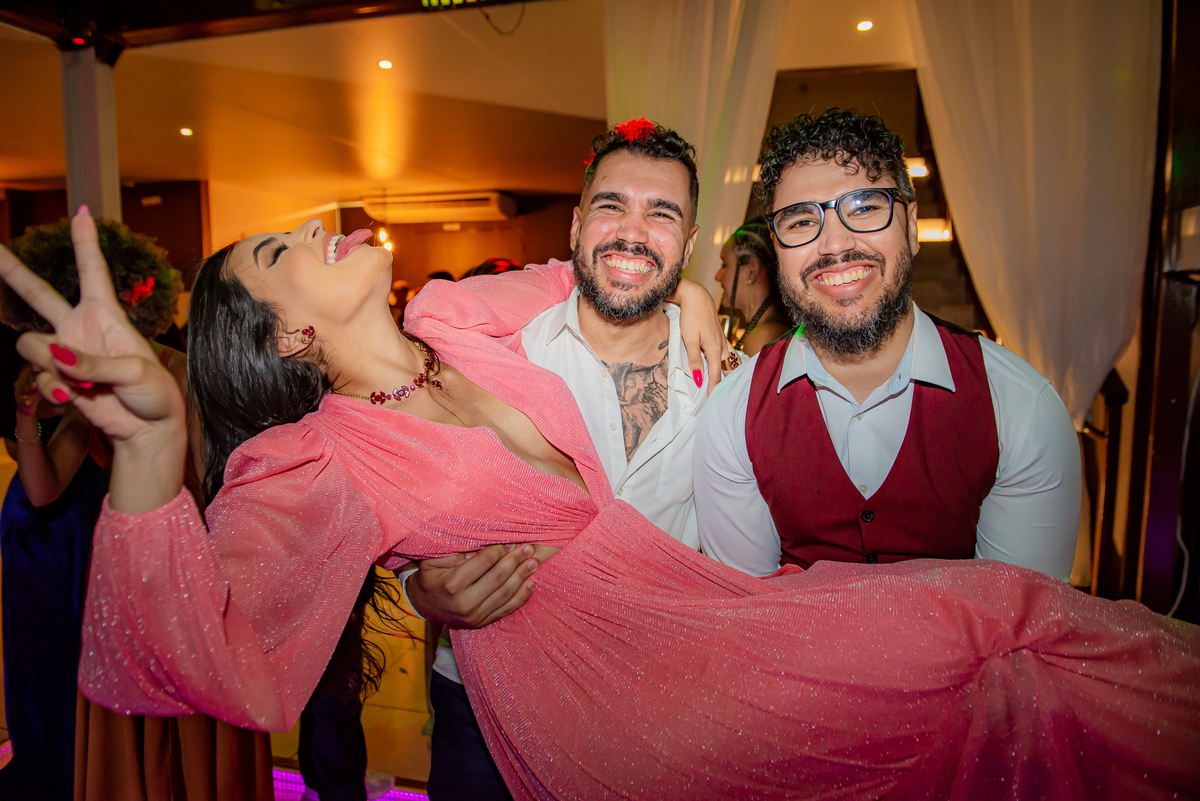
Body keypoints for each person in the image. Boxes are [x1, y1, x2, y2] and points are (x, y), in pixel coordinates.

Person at [3, 208, 1197, 800]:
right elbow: (211, 650)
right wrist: (152, 447)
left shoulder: (455, 322)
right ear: (288, 338)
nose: (316, 226)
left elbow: (600, 270)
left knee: (1004, 646)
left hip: (701, 613)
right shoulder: (313, 463)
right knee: (985, 635)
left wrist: (686, 293)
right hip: (608, 692)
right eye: (280, 253)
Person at [403, 119, 726, 800]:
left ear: (690, 243)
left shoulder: (727, 380)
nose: (633, 232)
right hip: (486, 706)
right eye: (612, 205)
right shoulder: (491, 360)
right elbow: (412, 502)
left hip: (654, 702)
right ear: (577, 227)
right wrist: (419, 591)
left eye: (661, 213)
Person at [696, 109, 1082, 581]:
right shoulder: (733, 414)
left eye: (864, 207)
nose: (835, 245)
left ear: (912, 227)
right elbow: (745, 610)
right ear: (777, 251)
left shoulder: (1020, 408)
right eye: (800, 221)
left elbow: (1019, 614)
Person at [0, 218, 272, 801]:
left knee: (189, 751)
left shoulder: (185, 375)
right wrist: (25, 418)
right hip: (128, 582)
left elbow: (219, 500)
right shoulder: (93, 394)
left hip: (190, 583)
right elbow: (44, 492)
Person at [716, 221, 791, 355]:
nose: (717, 276)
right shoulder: (774, 330)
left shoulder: (762, 338)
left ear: (751, 270)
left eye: (724, 265)